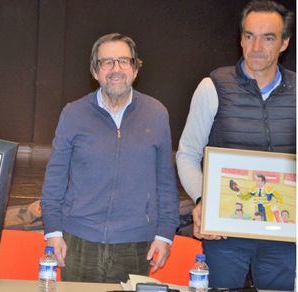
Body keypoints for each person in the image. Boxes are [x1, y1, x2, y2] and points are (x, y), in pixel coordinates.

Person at [40, 33, 179, 283]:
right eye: (107, 62)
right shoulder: (73, 113)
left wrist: (165, 235)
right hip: (78, 241)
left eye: (124, 61)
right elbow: (55, 178)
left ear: (135, 69)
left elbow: (166, 181)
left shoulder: (157, 114)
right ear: (95, 71)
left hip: (136, 244)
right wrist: (53, 231)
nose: (116, 69)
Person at [176, 0, 295, 289]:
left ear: (284, 43)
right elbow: (187, 154)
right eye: (249, 36)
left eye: (268, 38)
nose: (256, 47)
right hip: (224, 233)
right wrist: (203, 201)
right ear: (241, 39)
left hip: (284, 235)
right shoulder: (212, 86)